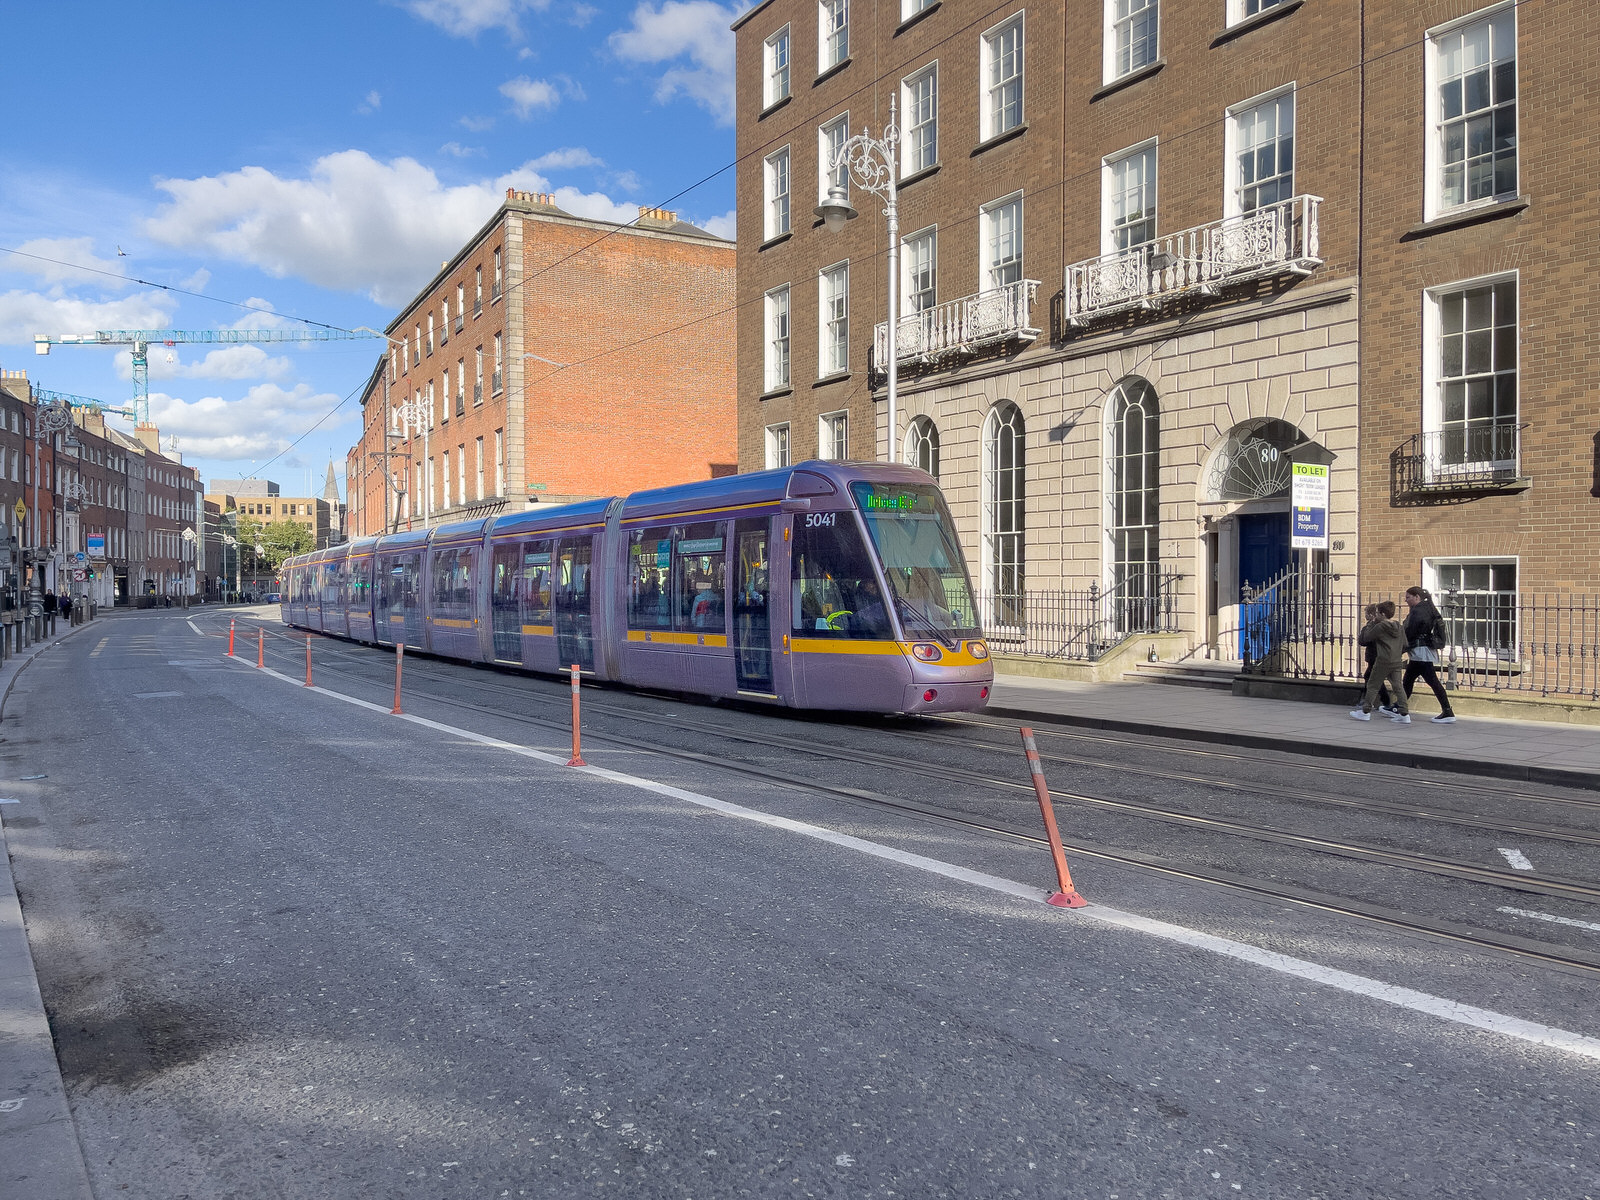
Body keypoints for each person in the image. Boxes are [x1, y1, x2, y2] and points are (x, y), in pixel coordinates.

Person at [1402, 586, 1457, 723]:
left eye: (1408, 597)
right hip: (1423, 651)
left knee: (1430, 681)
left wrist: (1403, 645)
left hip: (1420, 651)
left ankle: (1448, 711)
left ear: (1417, 597)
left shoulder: (1419, 611)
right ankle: (1400, 708)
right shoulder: (1428, 608)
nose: (1406, 600)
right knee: (1408, 680)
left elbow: (1411, 630)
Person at [1353, 600, 1409, 723]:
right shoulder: (1399, 626)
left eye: (1378, 613)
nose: (1376, 615)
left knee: (1373, 685)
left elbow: (1367, 637)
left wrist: (1370, 623)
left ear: (1383, 614)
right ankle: (1404, 713)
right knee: (1398, 686)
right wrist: (1396, 652)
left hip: (1383, 660)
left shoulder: (1380, 626)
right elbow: (1405, 644)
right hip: (1396, 661)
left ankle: (1365, 711)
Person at [1359, 604, 1394, 712]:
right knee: (1372, 678)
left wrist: (1366, 628)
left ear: (1370, 615)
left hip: (1375, 657)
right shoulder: (1383, 626)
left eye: (1366, 614)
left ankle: (1378, 702)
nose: (1365, 616)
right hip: (1379, 656)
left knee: (1372, 678)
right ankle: (1375, 701)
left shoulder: (1373, 626)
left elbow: (1363, 640)